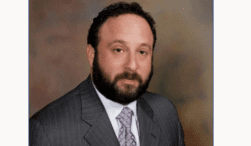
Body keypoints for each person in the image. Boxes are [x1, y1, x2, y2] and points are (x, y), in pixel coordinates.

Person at [29, 2, 185, 146]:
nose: (132, 65)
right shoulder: (47, 130)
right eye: (119, 50)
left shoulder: (165, 112)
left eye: (142, 52)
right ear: (91, 55)